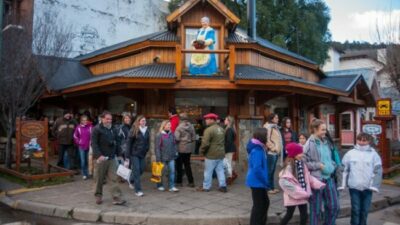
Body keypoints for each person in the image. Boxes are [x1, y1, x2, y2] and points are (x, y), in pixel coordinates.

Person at [338, 133, 382, 225]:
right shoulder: (350, 153)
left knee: (365, 210)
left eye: (364, 140)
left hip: (367, 188)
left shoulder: (374, 155)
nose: (361, 142)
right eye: (359, 140)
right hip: (354, 187)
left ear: (369, 141)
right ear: (357, 140)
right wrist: (341, 185)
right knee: (356, 209)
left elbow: (377, 170)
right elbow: (343, 169)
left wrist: (374, 186)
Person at [303, 119, 341, 225]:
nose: (325, 132)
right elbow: (304, 162)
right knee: (316, 210)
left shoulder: (326, 142)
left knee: (334, 206)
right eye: (322, 129)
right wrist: (318, 165)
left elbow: (330, 157)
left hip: (329, 178)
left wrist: (332, 164)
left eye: (325, 129)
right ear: (315, 129)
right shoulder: (309, 144)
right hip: (316, 180)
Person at [279, 143, 326, 225]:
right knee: (289, 215)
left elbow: (308, 177)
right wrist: (298, 192)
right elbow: (283, 182)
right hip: (293, 196)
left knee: (304, 216)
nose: (302, 154)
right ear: (294, 154)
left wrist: (319, 184)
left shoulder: (302, 164)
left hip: (303, 194)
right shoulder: (289, 167)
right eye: (299, 153)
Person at [91, 111, 125, 205]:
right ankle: (98, 195)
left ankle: (116, 197)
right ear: (102, 119)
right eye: (107, 119)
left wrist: (119, 154)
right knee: (99, 179)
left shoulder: (113, 129)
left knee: (113, 178)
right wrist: (98, 155)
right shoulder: (96, 129)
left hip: (111, 158)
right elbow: (94, 144)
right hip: (100, 158)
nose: (109, 121)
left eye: (110, 119)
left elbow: (117, 142)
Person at [246, 128, 270, 225]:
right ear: (262, 137)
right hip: (257, 182)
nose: (268, 137)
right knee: (259, 206)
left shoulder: (260, 147)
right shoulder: (257, 150)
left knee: (264, 204)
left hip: (258, 181)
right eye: (267, 135)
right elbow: (257, 169)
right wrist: (265, 182)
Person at [198, 113, 227, 192]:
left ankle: (206, 187)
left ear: (212, 120)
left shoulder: (208, 130)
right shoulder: (221, 129)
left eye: (207, 119)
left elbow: (205, 143)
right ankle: (223, 186)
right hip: (220, 153)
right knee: (220, 170)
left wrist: (201, 152)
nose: (206, 121)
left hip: (211, 154)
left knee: (208, 171)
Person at [125, 115, 150, 197]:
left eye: (145, 121)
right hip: (134, 154)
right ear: (138, 121)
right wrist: (127, 156)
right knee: (136, 169)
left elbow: (147, 142)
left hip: (142, 154)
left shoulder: (146, 130)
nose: (144, 122)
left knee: (141, 169)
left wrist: (146, 149)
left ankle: (131, 179)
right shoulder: (134, 130)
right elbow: (129, 143)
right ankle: (138, 190)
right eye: (142, 121)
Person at [155, 120, 179, 192]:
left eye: (170, 125)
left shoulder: (172, 134)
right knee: (161, 172)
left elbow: (174, 144)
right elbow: (157, 148)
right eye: (168, 125)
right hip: (163, 157)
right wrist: (158, 158)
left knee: (172, 171)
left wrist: (175, 153)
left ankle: (172, 186)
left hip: (171, 157)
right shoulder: (159, 135)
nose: (170, 126)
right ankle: (159, 185)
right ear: (164, 126)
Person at [263, 113, 283, 194]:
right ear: (271, 119)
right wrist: (273, 148)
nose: (278, 119)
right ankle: (268, 188)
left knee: (272, 171)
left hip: (275, 153)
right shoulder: (268, 127)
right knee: (269, 171)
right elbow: (266, 139)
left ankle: (272, 187)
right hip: (271, 153)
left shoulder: (275, 127)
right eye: (276, 118)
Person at [175, 113, 196, 187]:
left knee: (179, 165)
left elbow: (176, 138)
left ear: (180, 119)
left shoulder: (178, 128)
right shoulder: (191, 126)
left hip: (180, 148)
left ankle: (179, 182)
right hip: (188, 148)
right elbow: (194, 138)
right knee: (187, 165)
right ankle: (191, 182)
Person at [73, 115, 93, 180]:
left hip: (89, 147)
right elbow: (75, 136)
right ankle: (84, 174)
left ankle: (88, 173)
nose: (85, 121)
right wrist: (79, 142)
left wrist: (91, 142)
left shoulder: (90, 127)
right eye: (83, 120)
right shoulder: (78, 127)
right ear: (81, 121)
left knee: (88, 160)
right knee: (83, 161)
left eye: (86, 120)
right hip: (81, 147)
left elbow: (93, 135)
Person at [224, 116, 237, 185]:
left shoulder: (229, 130)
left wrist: (224, 151)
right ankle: (233, 175)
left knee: (228, 164)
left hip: (229, 149)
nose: (224, 120)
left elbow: (228, 142)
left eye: (225, 119)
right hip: (230, 148)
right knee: (228, 163)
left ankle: (230, 178)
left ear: (228, 121)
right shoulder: (231, 129)